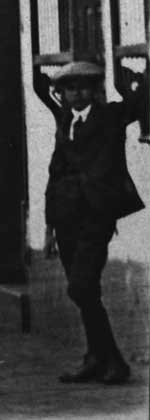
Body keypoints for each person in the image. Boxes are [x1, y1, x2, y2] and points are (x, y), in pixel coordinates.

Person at [33, 60, 145, 385]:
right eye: (70, 88)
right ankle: (97, 358)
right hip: (66, 219)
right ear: (62, 94)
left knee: (81, 286)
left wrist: (140, 79)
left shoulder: (109, 117)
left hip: (96, 217)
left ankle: (113, 361)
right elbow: (54, 175)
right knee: (85, 292)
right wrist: (48, 228)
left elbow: (138, 104)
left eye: (84, 87)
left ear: (95, 90)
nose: (77, 94)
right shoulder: (65, 121)